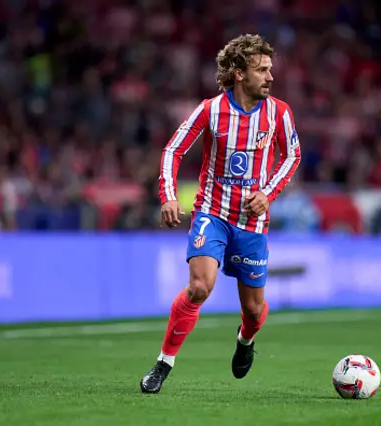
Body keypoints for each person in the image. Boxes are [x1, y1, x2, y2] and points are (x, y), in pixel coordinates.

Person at [140, 34, 301, 394]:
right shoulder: (211, 110)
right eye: (261, 70)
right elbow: (172, 151)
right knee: (199, 287)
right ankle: (164, 363)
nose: (270, 77)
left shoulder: (279, 112)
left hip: (252, 224)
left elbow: (292, 155)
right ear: (239, 74)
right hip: (212, 213)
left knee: (255, 311)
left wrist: (268, 193)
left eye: (270, 69)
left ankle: (245, 341)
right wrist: (168, 196)